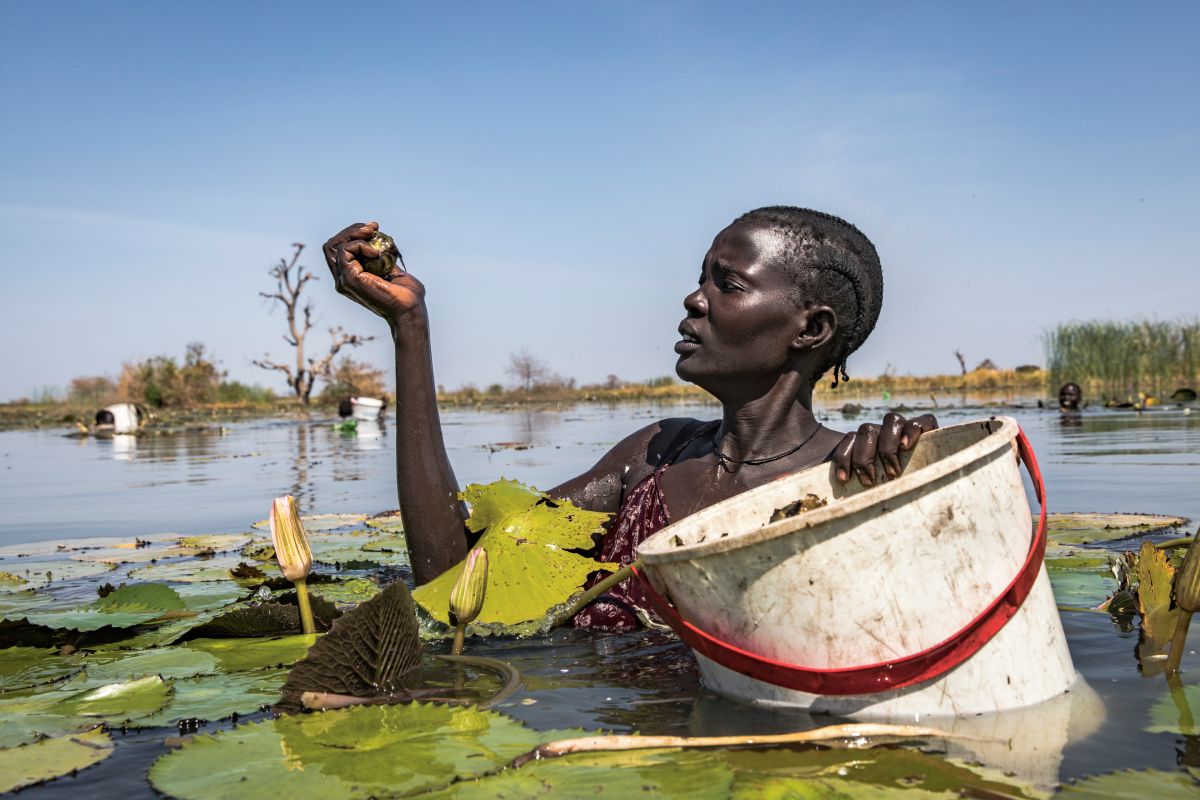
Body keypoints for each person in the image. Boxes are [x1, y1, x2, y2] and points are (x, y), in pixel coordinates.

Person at [323, 207, 937, 630]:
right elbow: (454, 574)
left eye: (727, 283)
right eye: (701, 279)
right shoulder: (653, 456)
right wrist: (410, 327)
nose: (694, 299)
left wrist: (916, 479)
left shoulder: (853, 474)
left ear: (811, 328)